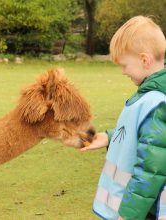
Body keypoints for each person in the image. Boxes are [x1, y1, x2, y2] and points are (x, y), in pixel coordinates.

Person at [81, 15, 166, 220]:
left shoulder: (156, 104)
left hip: (147, 213)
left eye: (125, 65)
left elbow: (150, 171)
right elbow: (141, 136)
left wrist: (129, 214)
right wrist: (110, 137)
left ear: (144, 60)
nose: (122, 72)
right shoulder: (148, 97)